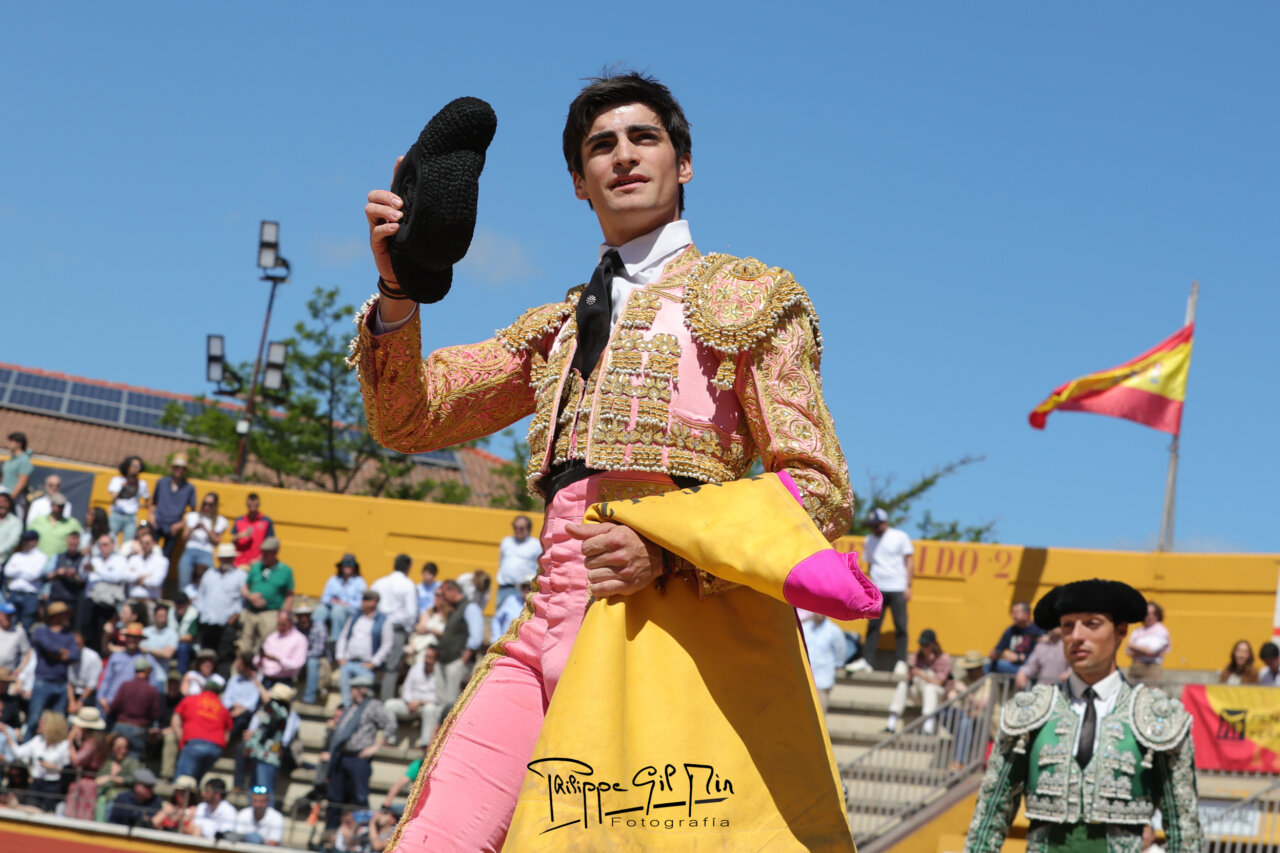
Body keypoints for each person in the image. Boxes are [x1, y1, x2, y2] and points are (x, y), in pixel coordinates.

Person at [354, 72, 857, 850]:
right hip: (544, 625)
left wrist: (668, 551)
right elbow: (409, 417)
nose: (623, 155)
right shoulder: (557, 326)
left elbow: (819, 490)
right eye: (601, 146)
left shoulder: (748, 299)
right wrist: (398, 290)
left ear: (683, 164)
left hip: (670, 630)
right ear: (579, 183)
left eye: (643, 138)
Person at [964, 579, 1202, 852]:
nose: (1076, 636)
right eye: (1068, 626)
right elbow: (990, 813)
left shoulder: (1155, 714)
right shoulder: (1031, 712)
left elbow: (1184, 828)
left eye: (1092, 624)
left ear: (1120, 631)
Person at [322, 671, 394, 829]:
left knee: (359, 797)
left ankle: (361, 833)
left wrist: (376, 747)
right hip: (341, 756)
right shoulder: (350, 707)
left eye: (354, 688)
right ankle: (331, 832)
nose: (351, 691)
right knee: (335, 797)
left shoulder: (373, 706)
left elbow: (391, 724)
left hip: (358, 758)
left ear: (362, 689)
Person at [851, 508, 916, 678]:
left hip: (897, 587)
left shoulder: (899, 536)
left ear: (885, 523)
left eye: (876, 525)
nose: (873, 528)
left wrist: (908, 585)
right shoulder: (869, 540)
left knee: (900, 626)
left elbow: (909, 561)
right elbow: (870, 565)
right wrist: (868, 587)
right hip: (878, 588)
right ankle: (867, 661)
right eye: (871, 525)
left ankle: (901, 661)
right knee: (873, 626)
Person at [886, 629, 952, 735]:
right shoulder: (915, 656)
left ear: (934, 644)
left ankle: (928, 728)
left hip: (938, 695)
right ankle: (891, 724)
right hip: (919, 693)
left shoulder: (944, 658)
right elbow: (909, 679)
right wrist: (910, 675)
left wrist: (923, 675)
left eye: (926, 645)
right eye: (922, 644)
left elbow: (940, 683)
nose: (923, 647)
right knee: (902, 685)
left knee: (929, 688)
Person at [27, 600, 79, 735]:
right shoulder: (41, 631)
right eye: (65, 614)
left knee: (58, 722)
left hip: (61, 684)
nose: (68, 617)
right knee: (34, 720)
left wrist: (57, 654)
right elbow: (49, 647)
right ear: (56, 616)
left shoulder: (69, 636)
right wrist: (61, 653)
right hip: (43, 681)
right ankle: (27, 745)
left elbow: (75, 654)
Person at [2, 710, 71, 811]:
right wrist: (7, 735)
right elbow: (18, 753)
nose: (39, 724)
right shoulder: (38, 740)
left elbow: (67, 768)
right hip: (36, 784)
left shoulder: (63, 745)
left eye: (42, 722)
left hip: (52, 786)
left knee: (48, 813)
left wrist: (53, 767)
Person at [371, 553, 418, 700]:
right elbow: (411, 613)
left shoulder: (379, 582)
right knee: (392, 667)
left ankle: (367, 699)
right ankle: (385, 700)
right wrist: (408, 632)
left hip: (377, 626)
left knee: (372, 661)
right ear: (408, 568)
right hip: (396, 629)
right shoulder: (408, 585)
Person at [172, 672, 232, 782]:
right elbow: (227, 735)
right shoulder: (223, 708)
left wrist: (182, 739)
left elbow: (175, 721)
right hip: (215, 749)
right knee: (195, 782)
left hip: (193, 744)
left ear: (203, 689)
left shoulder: (190, 699)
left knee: (183, 782)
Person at [238, 536, 293, 655]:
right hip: (251, 612)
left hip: (270, 613)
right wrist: (249, 596)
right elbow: (245, 587)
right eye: (263, 552)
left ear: (275, 552)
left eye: (268, 552)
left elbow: (289, 595)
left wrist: (285, 613)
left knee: (267, 646)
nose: (264, 555)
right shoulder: (256, 567)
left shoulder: (285, 571)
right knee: (245, 646)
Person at [336, 590, 393, 705]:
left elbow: (387, 644)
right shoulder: (355, 617)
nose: (362, 602)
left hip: (366, 666)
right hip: (348, 662)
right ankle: (346, 710)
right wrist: (340, 656)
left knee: (364, 696)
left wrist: (374, 662)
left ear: (373, 602)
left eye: (365, 600)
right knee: (345, 697)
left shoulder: (383, 621)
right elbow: (344, 637)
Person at [195, 542, 246, 670]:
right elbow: (201, 595)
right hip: (207, 622)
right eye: (224, 558)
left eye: (229, 558)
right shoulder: (209, 574)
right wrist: (201, 613)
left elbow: (242, 600)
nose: (226, 560)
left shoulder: (240, 576)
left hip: (226, 624)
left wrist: (234, 616)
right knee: (206, 655)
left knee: (224, 656)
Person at [243, 682, 294, 800]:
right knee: (254, 789)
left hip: (268, 756)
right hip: (259, 754)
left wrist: (259, 686)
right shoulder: (275, 711)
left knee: (264, 789)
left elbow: (269, 704)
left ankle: (266, 808)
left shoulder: (281, 711)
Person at [98, 623, 163, 714]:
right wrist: (101, 697)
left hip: (134, 707)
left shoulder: (147, 659)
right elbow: (107, 679)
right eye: (130, 637)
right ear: (126, 638)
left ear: (140, 639)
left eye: (135, 638)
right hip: (111, 703)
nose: (132, 640)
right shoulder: (116, 657)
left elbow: (152, 684)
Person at [385, 645, 440, 747]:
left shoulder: (440, 673)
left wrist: (420, 703)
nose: (427, 660)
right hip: (409, 705)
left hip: (424, 707)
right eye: (426, 656)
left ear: (436, 660)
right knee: (389, 704)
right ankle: (389, 739)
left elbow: (438, 696)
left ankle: (425, 743)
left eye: (430, 657)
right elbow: (407, 688)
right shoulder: (416, 668)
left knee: (430, 709)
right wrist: (410, 702)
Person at [109, 656, 162, 756]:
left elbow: (115, 706)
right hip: (139, 730)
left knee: (115, 756)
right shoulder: (152, 690)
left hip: (121, 726)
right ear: (147, 671)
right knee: (134, 759)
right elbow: (155, 714)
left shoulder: (125, 686)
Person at [178, 491, 227, 593]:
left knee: (209, 580)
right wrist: (193, 528)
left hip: (206, 551)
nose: (206, 507)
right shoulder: (192, 516)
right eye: (205, 503)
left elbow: (217, 541)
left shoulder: (220, 521)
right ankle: (183, 599)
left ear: (215, 506)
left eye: (210, 505)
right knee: (184, 575)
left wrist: (206, 529)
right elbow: (184, 538)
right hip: (190, 549)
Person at [151, 453, 197, 559]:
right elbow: (154, 503)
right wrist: (151, 516)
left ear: (185, 470)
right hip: (157, 523)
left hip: (173, 526)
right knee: (150, 553)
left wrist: (180, 524)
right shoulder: (161, 482)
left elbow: (193, 512)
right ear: (173, 468)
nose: (179, 470)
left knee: (166, 557)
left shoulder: (189, 488)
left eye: (183, 468)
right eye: (177, 467)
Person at [801, 610, 847, 713]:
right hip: (805, 678)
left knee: (820, 712)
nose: (820, 613)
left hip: (823, 679)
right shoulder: (805, 628)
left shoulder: (834, 630)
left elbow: (840, 652)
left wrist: (837, 666)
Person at [318, 553, 368, 646]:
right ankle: (316, 637)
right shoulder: (333, 579)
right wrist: (332, 601)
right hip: (332, 606)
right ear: (341, 566)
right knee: (320, 610)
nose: (347, 566)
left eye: (350, 564)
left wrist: (345, 603)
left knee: (338, 610)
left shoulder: (359, 582)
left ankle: (335, 642)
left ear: (355, 567)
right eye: (345, 564)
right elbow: (324, 598)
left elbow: (361, 603)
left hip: (350, 610)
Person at [5, 529, 48, 631]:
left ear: (35, 541)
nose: (24, 542)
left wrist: (17, 570)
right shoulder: (17, 555)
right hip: (14, 594)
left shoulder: (41, 557)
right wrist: (25, 570)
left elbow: (34, 575)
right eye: (24, 540)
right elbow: (7, 572)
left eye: (27, 540)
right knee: (9, 626)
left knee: (26, 628)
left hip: (30, 597)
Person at [495, 515, 541, 609]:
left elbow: (540, 567)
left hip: (524, 590)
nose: (517, 530)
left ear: (528, 528)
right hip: (505, 588)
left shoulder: (535, 545)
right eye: (515, 527)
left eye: (521, 528)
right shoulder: (506, 542)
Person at [985, 602, 1044, 675]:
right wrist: (997, 654)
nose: (1012, 615)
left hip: (1029, 666)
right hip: (1012, 666)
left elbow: (1042, 654)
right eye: (1012, 613)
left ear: (1026, 614)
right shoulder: (1010, 630)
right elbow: (999, 649)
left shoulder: (1038, 630)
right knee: (987, 664)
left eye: (1016, 613)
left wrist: (1019, 658)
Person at [256, 609, 307, 688]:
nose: (280, 627)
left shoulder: (299, 639)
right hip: (265, 680)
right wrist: (261, 657)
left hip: (284, 682)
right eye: (278, 624)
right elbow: (256, 662)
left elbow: (298, 663)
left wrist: (279, 660)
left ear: (291, 623)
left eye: (283, 624)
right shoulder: (272, 637)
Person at [93, 733, 139, 820]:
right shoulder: (107, 763)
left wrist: (111, 778)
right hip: (104, 798)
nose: (123, 751)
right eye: (119, 747)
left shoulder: (132, 763)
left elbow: (134, 779)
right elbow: (98, 780)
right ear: (112, 748)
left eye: (126, 748)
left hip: (123, 800)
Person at [1126, 600, 1171, 685]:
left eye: (1153, 613)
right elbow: (1128, 651)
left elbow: (1151, 650)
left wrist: (1134, 647)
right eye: (1147, 613)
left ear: (1158, 615)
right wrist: (1144, 651)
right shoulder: (1137, 631)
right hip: (1136, 667)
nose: (1150, 616)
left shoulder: (1161, 630)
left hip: (1152, 668)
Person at [107, 456, 148, 545]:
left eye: (139, 466)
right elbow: (113, 499)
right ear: (127, 466)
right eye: (134, 466)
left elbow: (148, 501)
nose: (137, 468)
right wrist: (122, 489)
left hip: (131, 517)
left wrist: (139, 506)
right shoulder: (117, 480)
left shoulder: (141, 484)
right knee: (109, 541)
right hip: (117, 515)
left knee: (128, 545)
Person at [28, 493, 82, 559]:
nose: (60, 508)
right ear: (52, 505)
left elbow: (80, 541)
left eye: (62, 506)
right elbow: (28, 539)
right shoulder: (38, 520)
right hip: (38, 560)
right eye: (58, 506)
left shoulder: (72, 523)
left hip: (60, 562)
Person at [296, 605, 330, 704]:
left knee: (312, 662)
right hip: (299, 658)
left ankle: (309, 698)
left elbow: (318, 651)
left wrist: (301, 656)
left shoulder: (320, 626)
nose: (303, 619)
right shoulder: (294, 627)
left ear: (310, 616)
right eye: (300, 616)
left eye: (306, 615)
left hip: (319, 658)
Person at [125, 526, 168, 602]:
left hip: (151, 600)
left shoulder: (162, 560)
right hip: (133, 600)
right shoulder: (133, 559)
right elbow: (126, 576)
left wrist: (136, 578)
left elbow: (156, 582)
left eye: (147, 543)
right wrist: (146, 576)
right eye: (142, 543)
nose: (144, 546)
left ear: (153, 543)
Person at [48, 529, 88, 610]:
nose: (72, 546)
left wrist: (75, 575)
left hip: (73, 600)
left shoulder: (83, 559)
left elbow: (84, 582)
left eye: (75, 544)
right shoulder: (58, 556)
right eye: (71, 543)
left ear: (78, 543)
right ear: (67, 542)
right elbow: (47, 576)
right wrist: (57, 572)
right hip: (56, 598)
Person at [232, 493, 274, 568]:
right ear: (246, 504)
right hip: (239, 563)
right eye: (250, 505)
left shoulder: (266, 521)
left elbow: (270, 544)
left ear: (259, 504)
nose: (252, 507)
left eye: (255, 505)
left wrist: (260, 559)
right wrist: (239, 536)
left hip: (258, 564)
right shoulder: (239, 520)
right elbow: (233, 541)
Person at [68, 631, 104, 714]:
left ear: (83, 643)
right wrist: (72, 702)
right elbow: (69, 682)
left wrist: (80, 702)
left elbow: (92, 684)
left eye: (78, 644)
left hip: (89, 695)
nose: (76, 647)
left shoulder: (92, 657)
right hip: (73, 693)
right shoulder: (68, 655)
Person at [1, 433, 34, 512]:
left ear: (19, 444)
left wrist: (9, 500)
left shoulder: (24, 460)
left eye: (11, 441)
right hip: (3, 496)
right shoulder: (10, 460)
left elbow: (22, 482)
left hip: (14, 500)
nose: (8, 444)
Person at [0, 602, 32, 674]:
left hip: (8, 673)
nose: (8, 618)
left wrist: (19, 669)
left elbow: (27, 653)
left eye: (11, 615)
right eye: (6, 615)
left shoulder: (19, 631)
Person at [173, 592, 199, 673]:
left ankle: (180, 675)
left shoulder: (194, 614)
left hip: (191, 648)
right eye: (177, 603)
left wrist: (172, 639)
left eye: (182, 603)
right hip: (173, 645)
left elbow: (189, 638)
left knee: (183, 647)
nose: (180, 606)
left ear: (187, 603)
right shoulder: (171, 613)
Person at [0, 492, 21, 563]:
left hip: (3, 560)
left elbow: (13, 540)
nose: (2, 505)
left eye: (5, 502)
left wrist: (1, 550)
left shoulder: (15, 522)